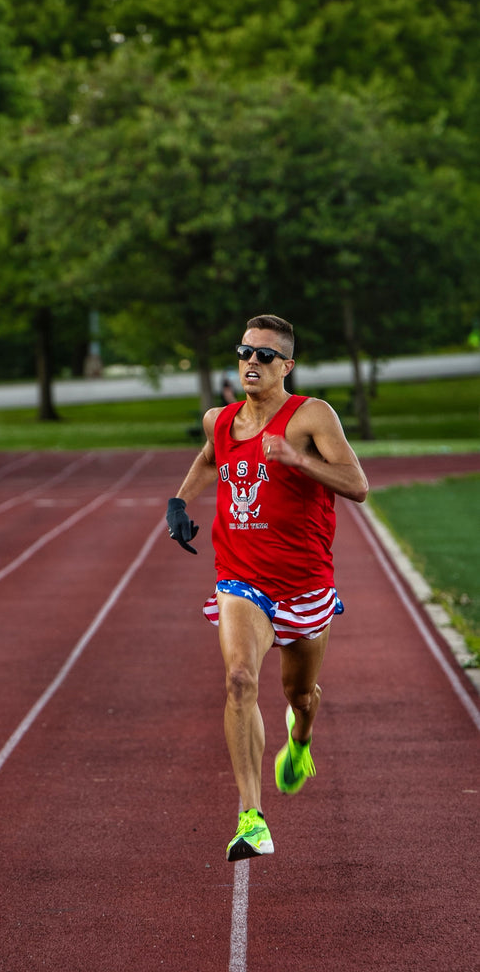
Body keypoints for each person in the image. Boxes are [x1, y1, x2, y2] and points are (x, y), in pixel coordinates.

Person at [166, 314, 368, 861]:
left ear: (287, 366)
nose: (252, 362)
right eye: (245, 352)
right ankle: (251, 818)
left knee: (299, 695)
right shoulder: (221, 420)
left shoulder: (311, 417)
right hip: (241, 579)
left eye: (265, 356)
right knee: (238, 680)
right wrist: (180, 501)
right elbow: (210, 458)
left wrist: (297, 458)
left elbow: (358, 485)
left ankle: (300, 740)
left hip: (304, 584)